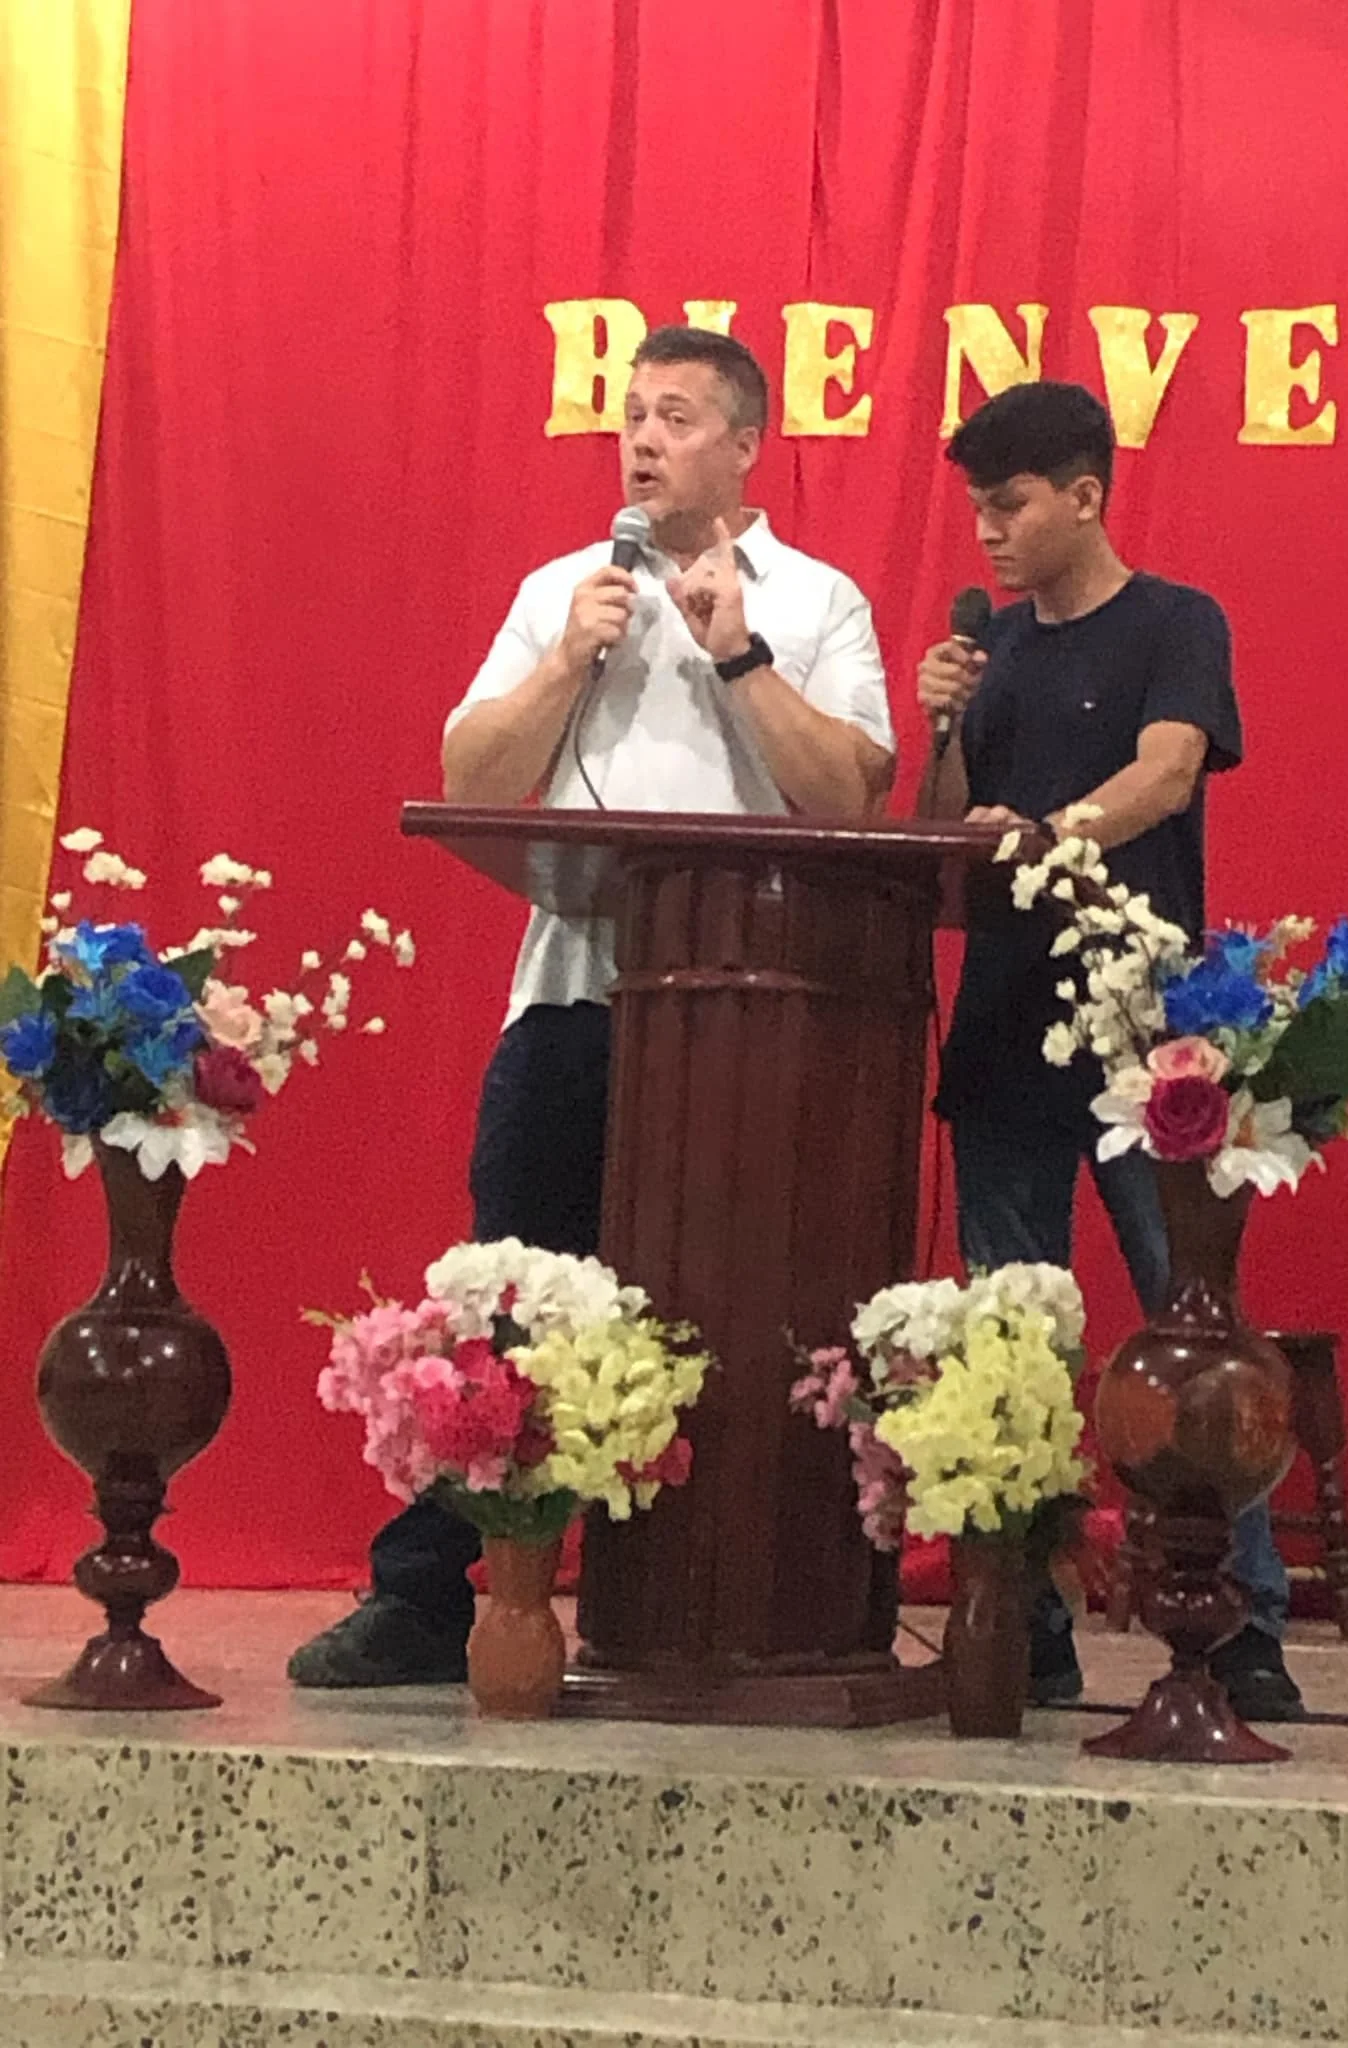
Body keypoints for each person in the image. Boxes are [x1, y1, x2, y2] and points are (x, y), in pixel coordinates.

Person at [290, 327, 895, 1687]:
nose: (642, 439)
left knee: (729, 1311)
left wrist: (741, 662)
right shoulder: (567, 587)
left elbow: (854, 795)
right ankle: (432, 1598)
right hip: (570, 1002)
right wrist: (569, 660)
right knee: (509, 1298)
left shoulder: (818, 600)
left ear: (746, 445)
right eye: (632, 415)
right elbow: (469, 766)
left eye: (676, 417)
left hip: (748, 1028)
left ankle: (723, 1596)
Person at [917, 380, 1302, 1723]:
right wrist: (947, 724)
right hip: (1007, 1036)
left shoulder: (1175, 622)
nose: (989, 532)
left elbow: (1169, 771)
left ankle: (1242, 1623)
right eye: (976, 506)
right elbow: (945, 837)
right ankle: (1025, 1619)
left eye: (1011, 504)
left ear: (1086, 495)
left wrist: (1057, 828)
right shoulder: (996, 654)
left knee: (1189, 1327)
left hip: (1150, 1053)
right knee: (1011, 1342)